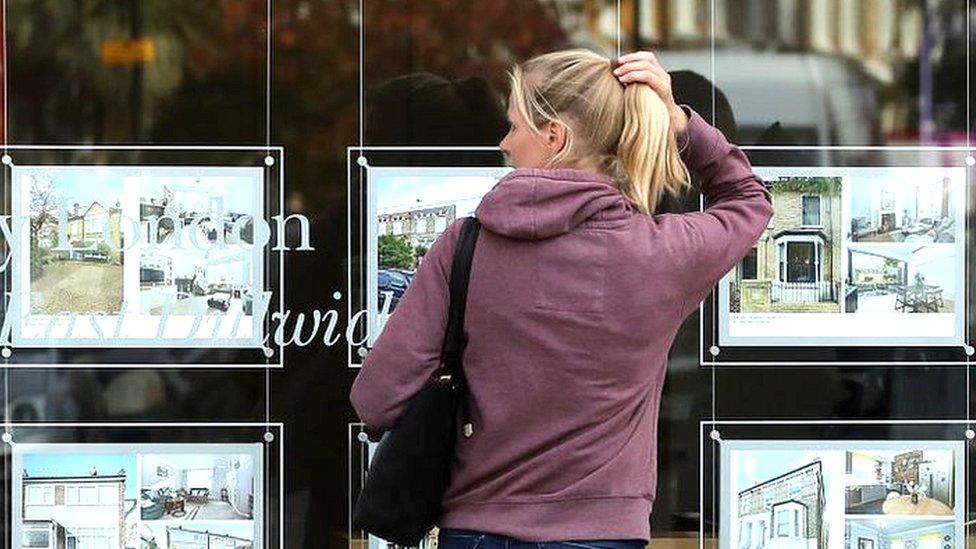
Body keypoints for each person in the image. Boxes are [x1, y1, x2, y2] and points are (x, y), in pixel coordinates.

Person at [350, 49, 772, 547]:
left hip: (479, 531)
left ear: (555, 137)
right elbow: (749, 199)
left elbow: (376, 400)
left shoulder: (464, 246)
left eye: (513, 127)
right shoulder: (662, 253)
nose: (504, 144)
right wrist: (679, 122)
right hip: (602, 535)